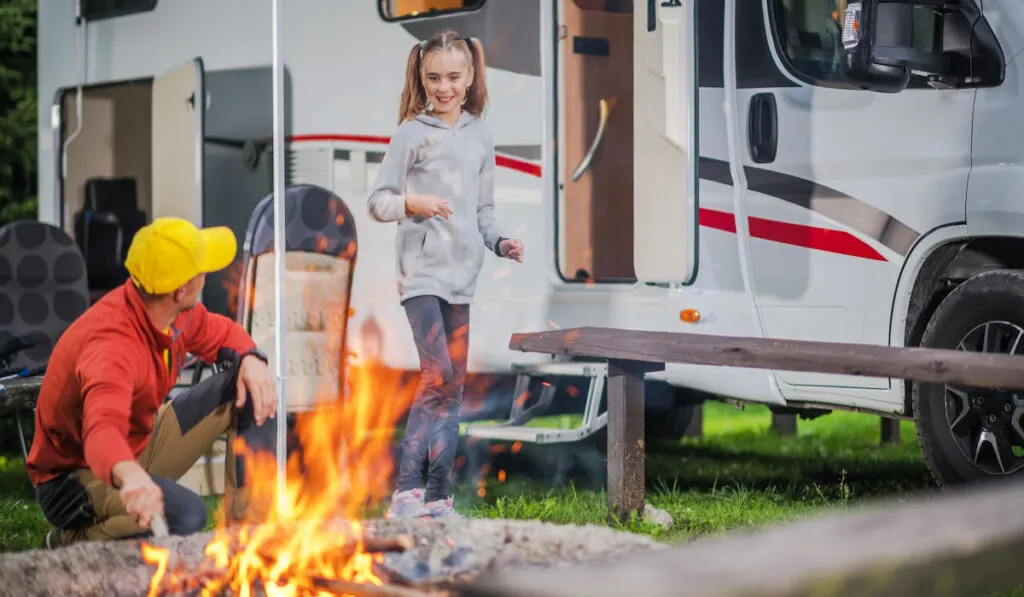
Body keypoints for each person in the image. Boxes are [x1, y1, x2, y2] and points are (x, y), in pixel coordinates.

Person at [26, 216, 279, 548]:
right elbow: (101, 432)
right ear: (180, 290)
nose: (207, 274)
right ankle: (72, 541)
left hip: (138, 442)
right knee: (186, 516)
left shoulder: (172, 311)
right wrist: (131, 477)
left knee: (248, 387)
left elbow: (223, 334)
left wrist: (251, 358)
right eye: (202, 268)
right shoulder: (112, 346)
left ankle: (249, 539)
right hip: (76, 477)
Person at [367, 30, 524, 520]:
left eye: (453, 77)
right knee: (435, 374)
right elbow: (378, 202)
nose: (444, 87)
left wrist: (501, 243)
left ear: (471, 76)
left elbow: (485, 211)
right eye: (433, 77)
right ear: (421, 76)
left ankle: (439, 498)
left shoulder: (480, 134)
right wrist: (413, 203)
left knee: (454, 385)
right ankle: (406, 494)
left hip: (461, 279)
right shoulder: (411, 134)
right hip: (420, 276)